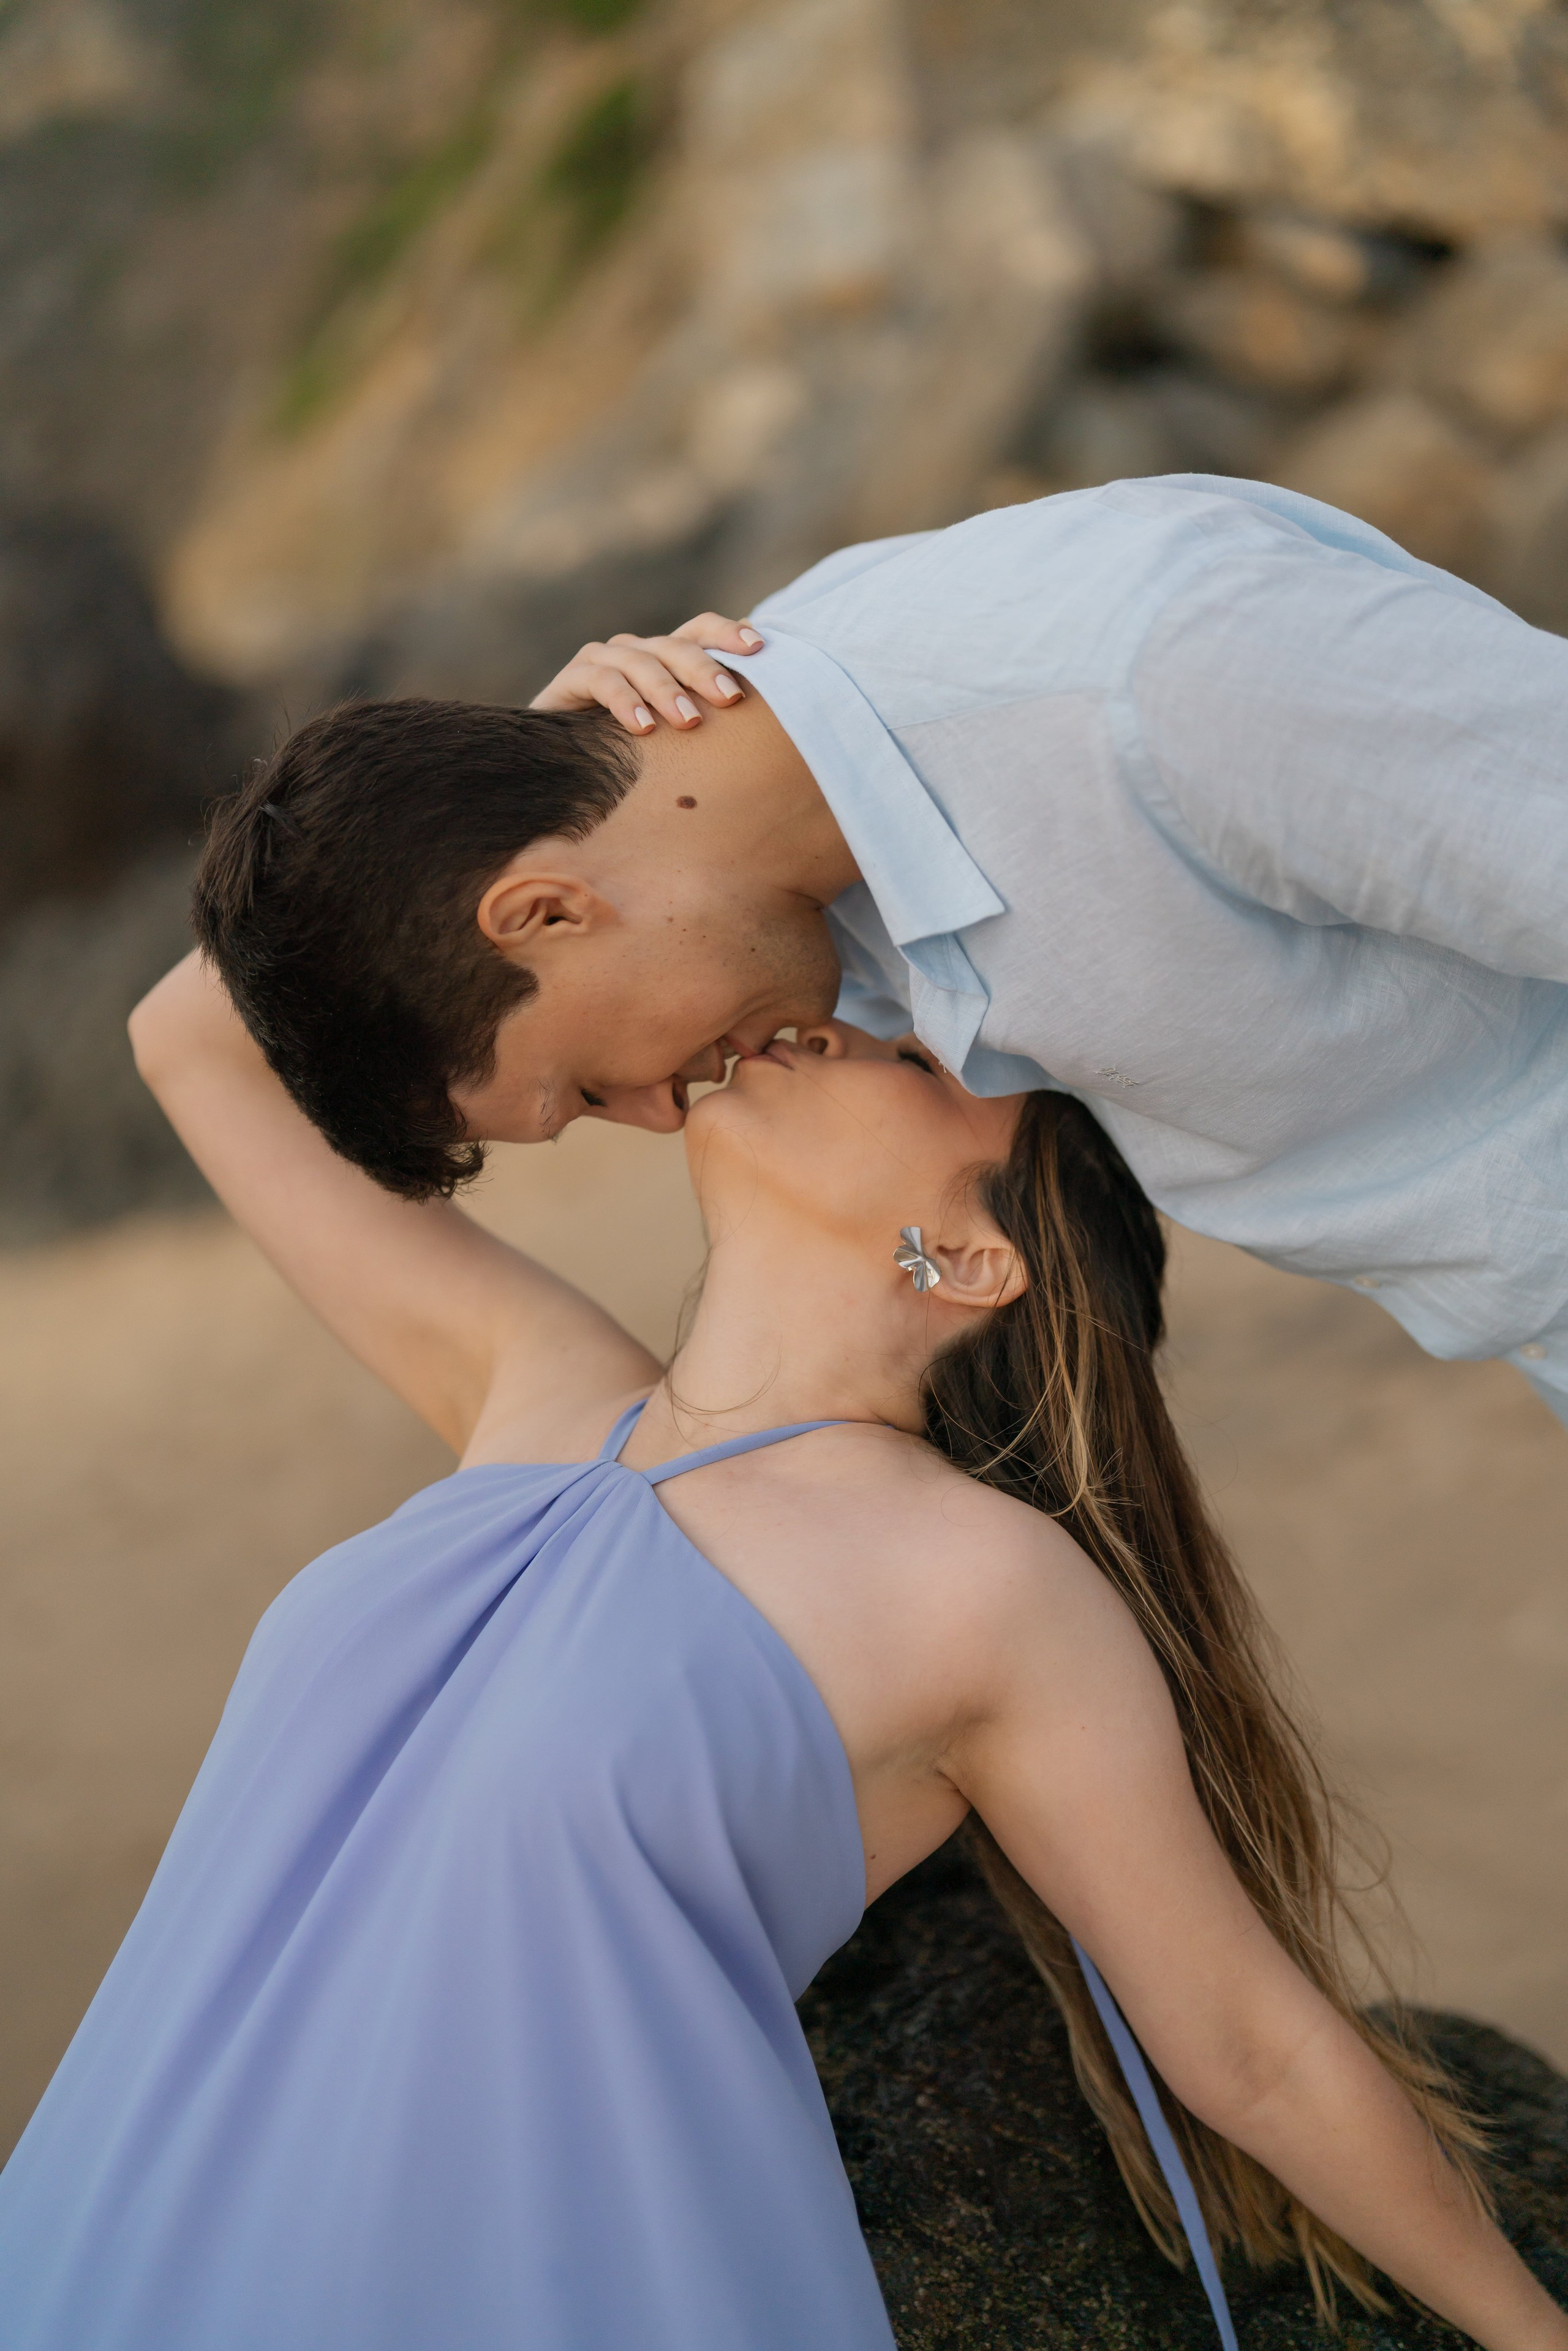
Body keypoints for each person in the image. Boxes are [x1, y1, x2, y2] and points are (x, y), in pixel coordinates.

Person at [0, 949, 1562, 2350]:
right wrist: (585, 795)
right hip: (116, 2228)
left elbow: (1248, 2046)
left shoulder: (977, 1584)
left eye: (915, 1060)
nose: (827, 1024)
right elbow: (195, 1030)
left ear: (969, 1258)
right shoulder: (538, 1390)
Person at [195, 477, 1568, 1426]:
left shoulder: (1153, 679)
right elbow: (189, 1021)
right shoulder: (787, 905)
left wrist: (522, 799)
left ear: (546, 914)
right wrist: (514, 764)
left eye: (586, 1089)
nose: (666, 1114)